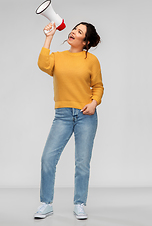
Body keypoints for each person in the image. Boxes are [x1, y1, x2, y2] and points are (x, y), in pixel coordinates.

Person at [34, 21, 104, 220]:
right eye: (74, 28)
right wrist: (49, 37)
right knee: (48, 158)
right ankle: (46, 204)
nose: (73, 32)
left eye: (79, 31)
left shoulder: (92, 60)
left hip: (86, 115)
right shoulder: (57, 57)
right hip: (62, 115)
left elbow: (98, 87)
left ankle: (79, 204)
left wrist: (94, 103)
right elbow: (42, 64)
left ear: (86, 41)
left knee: (82, 163)